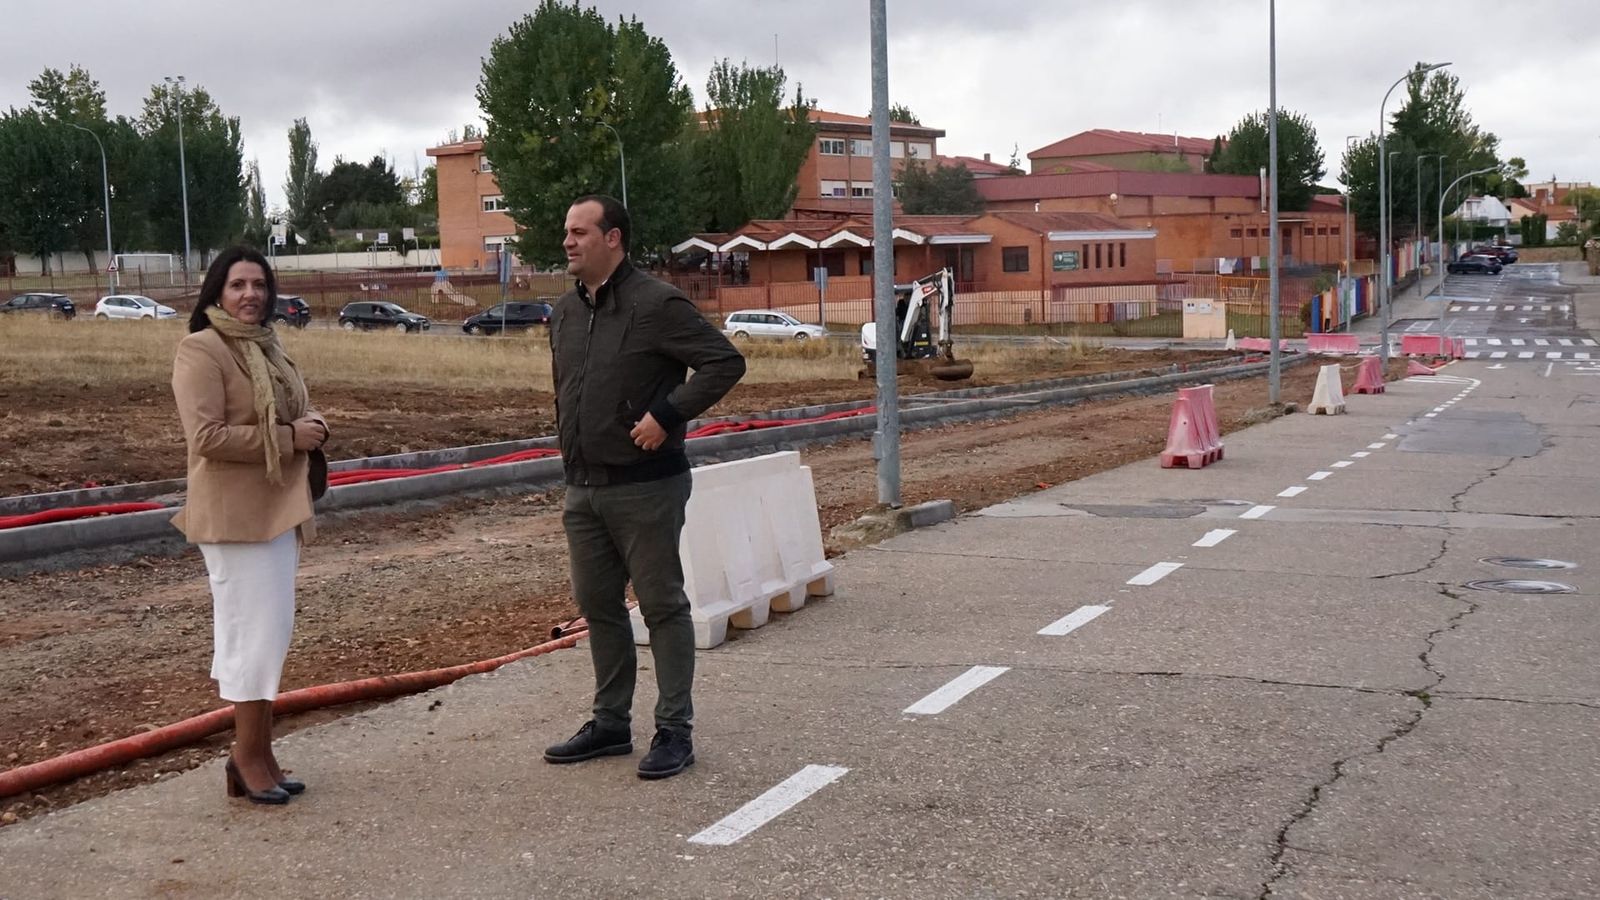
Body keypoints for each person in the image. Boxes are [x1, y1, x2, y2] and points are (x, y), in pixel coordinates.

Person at [543, 195, 745, 780]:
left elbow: (723, 362)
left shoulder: (656, 303)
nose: (568, 241)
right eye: (566, 232)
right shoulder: (565, 312)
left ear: (613, 238)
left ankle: (674, 730)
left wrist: (667, 414)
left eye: (580, 232)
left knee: (661, 606)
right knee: (597, 606)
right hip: (583, 488)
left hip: (647, 487)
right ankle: (610, 724)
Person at [170, 246, 329, 805]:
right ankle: (246, 757)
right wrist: (289, 438)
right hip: (234, 520)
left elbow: (290, 409)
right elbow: (206, 437)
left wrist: (311, 423)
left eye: (259, 284)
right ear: (218, 290)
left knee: (270, 635)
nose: (250, 294)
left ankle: (259, 754)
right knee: (248, 638)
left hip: (277, 511)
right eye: (238, 284)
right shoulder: (201, 349)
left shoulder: (268, 346)